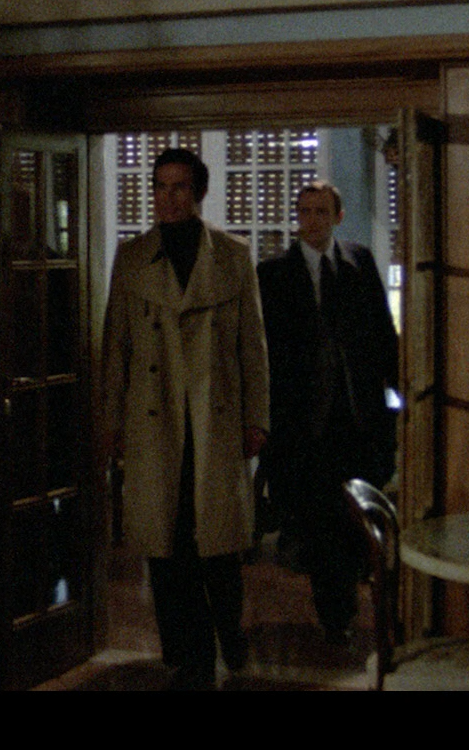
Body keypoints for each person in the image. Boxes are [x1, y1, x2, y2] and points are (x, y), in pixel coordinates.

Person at [98, 148, 270, 689]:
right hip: (155, 421)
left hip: (214, 418)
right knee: (165, 542)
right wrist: (111, 422)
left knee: (217, 543)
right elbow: (117, 347)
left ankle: (229, 632)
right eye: (160, 186)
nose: (168, 197)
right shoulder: (132, 257)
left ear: (198, 192)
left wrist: (257, 418)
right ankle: (185, 651)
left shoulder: (232, 255)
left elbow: (252, 346)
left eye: (179, 186)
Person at [255, 179, 398, 641]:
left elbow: (383, 332)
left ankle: (349, 602)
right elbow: (262, 352)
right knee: (318, 522)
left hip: (356, 416)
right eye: (304, 211)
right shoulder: (273, 274)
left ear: (337, 217)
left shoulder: (359, 262)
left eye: (320, 211)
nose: (311, 220)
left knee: (354, 516)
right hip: (304, 423)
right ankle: (334, 615)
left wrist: (400, 392)